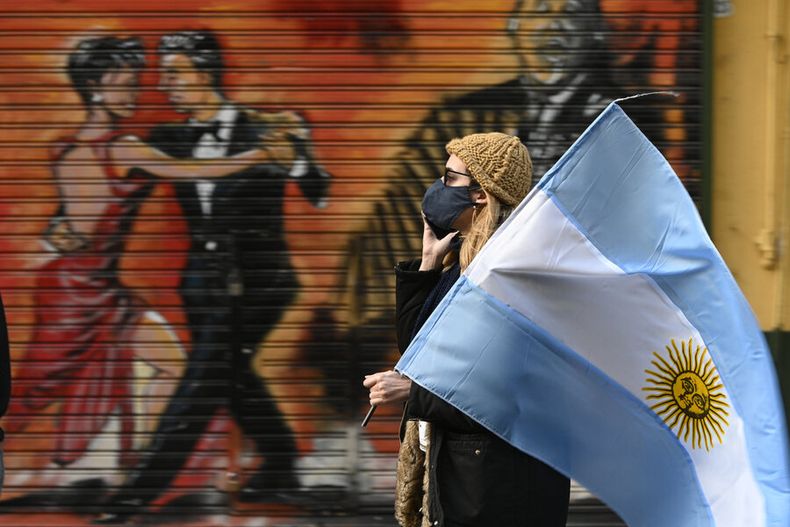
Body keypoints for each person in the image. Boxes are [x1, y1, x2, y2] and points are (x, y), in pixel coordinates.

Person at [4, 36, 284, 487]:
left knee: (173, 364)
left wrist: (65, 232)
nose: (135, 93)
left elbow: (69, 225)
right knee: (35, 389)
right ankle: (127, 469)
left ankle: (134, 470)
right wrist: (264, 154)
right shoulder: (123, 148)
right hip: (76, 292)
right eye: (125, 85)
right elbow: (196, 171)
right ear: (95, 87)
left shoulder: (70, 149)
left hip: (95, 286)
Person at [94, 30, 331, 524]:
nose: (164, 83)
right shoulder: (167, 138)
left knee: (203, 378)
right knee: (229, 375)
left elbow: (318, 193)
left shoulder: (268, 129)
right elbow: (112, 193)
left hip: (262, 282)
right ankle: (281, 464)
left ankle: (138, 493)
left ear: (206, 72)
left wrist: (299, 153)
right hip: (201, 283)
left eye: (175, 71)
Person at [365, 133, 570, 526]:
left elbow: (506, 391)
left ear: (480, 194)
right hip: (467, 477)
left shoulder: (509, 272)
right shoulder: (463, 263)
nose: (439, 186)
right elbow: (418, 353)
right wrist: (427, 264)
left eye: (450, 177)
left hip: (500, 489)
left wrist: (411, 390)